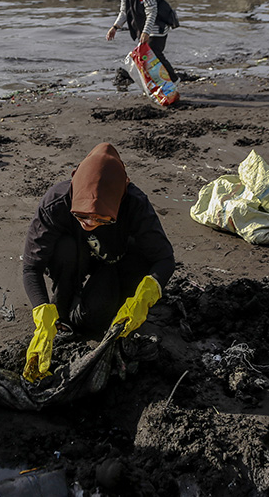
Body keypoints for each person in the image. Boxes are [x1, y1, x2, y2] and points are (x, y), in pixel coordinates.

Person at [21, 143, 175, 381]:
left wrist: (145, 296)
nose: (89, 222)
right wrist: (42, 315)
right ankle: (63, 308)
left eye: (100, 218)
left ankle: (109, 300)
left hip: (116, 261)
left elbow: (164, 258)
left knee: (94, 319)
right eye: (81, 216)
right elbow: (31, 267)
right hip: (75, 259)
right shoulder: (56, 203)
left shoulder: (135, 203)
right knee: (64, 249)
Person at [106, 0, 179, 82]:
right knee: (144, 57)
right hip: (143, 27)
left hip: (158, 26)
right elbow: (124, 12)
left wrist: (146, 32)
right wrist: (115, 27)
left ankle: (173, 79)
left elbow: (152, 13)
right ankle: (159, 81)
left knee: (153, 53)